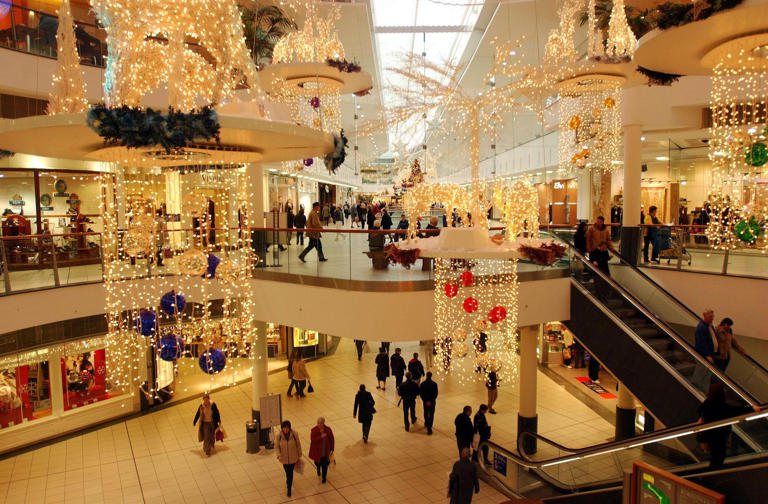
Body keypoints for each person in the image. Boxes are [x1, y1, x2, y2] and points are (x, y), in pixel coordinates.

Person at [697, 383, 758, 468]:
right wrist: (752, 409)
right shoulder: (721, 406)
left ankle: (713, 468)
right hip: (719, 435)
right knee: (718, 455)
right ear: (720, 394)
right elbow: (735, 411)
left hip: (709, 433)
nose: (725, 391)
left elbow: (700, 412)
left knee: (715, 454)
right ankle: (715, 469)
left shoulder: (707, 403)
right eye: (723, 390)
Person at [693, 309, 718, 391]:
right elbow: (701, 342)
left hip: (711, 354)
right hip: (704, 355)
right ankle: (695, 389)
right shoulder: (701, 327)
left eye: (712, 316)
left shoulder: (710, 326)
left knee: (707, 374)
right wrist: (707, 355)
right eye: (710, 316)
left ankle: (703, 391)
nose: (712, 318)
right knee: (701, 372)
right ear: (704, 316)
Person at [276, 420, 302, 497]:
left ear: (289, 428)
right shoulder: (279, 436)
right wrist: (279, 455)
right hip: (283, 459)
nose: (286, 429)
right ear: (282, 428)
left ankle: (289, 489)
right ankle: (289, 481)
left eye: (287, 428)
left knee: (290, 473)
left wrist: (299, 455)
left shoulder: (294, 434)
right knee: (287, 472)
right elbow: (276, 447)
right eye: (284, 428)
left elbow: (298, 445)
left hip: (293, 458)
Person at [192, 393, 221, 457]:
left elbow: (217, 413)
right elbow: (198, 414)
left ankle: (212, 443)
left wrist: (219, 420)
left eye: (207, 400)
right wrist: (195, 421)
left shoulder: (213, 405)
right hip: (205, 423)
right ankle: (207, 450)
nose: (206, 402)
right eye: (205, 400)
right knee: (206, 436)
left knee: (212, 435)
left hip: (212, 422)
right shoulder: (201, 406)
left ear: (209, 399)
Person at [309, 417, 334, 484]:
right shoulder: (314, 430)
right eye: (318, 423)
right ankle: (318, 468)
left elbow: (331, 439)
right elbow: (313, 439)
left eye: (321, 423)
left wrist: (332, 448)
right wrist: (320, 437)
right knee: (317, 463)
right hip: (317, 452)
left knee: (325, 465)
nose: (319, 425)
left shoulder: (328, 429)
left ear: (323, 423)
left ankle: (324, 477)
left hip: (325, 452)